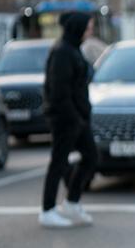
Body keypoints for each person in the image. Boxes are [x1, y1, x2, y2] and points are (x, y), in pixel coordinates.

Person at [39, 12, 98, 229]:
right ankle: (47, 210)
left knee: (91, 157)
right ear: (77, 28)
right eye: (88, 27)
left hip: (78, 117)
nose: (90, 31)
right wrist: (74, 118)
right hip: (65, 118)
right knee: (58, 162)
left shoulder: (73, 49)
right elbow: (58, 92)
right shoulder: (62, 52)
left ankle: (72, 202)